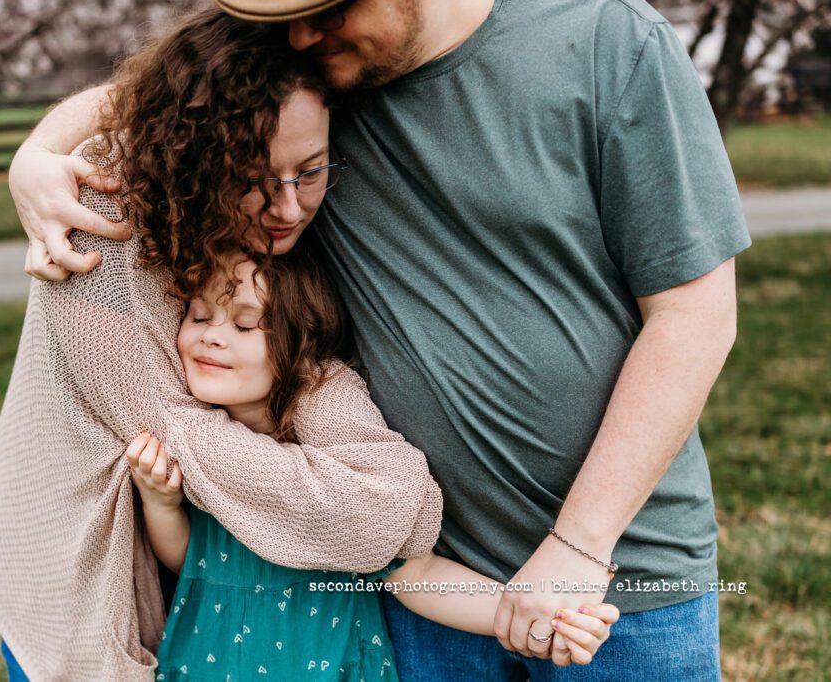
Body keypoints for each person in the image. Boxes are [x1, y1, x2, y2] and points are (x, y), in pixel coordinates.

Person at [8, 0, 751, 678]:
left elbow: (695, 314)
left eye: (328, 9)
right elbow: (168, 91)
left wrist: (579, 546)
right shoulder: (318, 77)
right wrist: (36, 154)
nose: (300, 34)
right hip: (427, 587)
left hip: (622, 578)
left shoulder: (606, 42)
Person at [0, 11, 445, 680]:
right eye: (257, 176)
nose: (288, 208)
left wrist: (377, 486)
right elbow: (179, 437)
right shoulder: (102, 214)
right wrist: (36, 153)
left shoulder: (270, 222)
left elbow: (311, 377)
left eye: (310, 171)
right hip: (86, 582)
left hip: (221, 600)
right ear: (193, 150)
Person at [127, 248, 619, 680]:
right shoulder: (204, 449)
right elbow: (196, 561)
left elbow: (416, 578)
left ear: (299, 344)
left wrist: (544, 617)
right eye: (197, 315)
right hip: (210, 664)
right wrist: (161, 504)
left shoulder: (338, 466)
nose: (212, 337)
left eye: (244, 323)